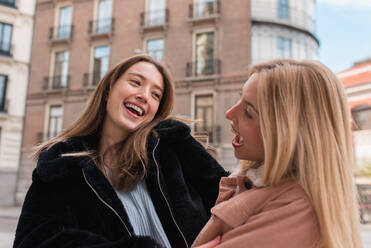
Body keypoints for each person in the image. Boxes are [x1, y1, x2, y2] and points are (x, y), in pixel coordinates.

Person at [13, 55, 229, 248]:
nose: (144, 96)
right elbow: (35, 241)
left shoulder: (174, 147)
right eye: (136, 82)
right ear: (108, 90)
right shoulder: (61, 166)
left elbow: (232, 202)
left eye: (156, 95)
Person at [192, 59, 362, 248]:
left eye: (248, 111)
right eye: (239, 99)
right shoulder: (262, 187)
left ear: (288, 133)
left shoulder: (294, 211)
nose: (229, 113)